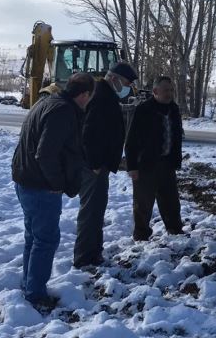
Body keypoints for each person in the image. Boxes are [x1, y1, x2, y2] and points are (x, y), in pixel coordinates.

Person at [11, 72, 95, 308]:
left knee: (34, 237)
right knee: (46, 240)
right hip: (40, 186)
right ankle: (35, 294)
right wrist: (57, 184)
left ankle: (29, 284)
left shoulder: (46, 102)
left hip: (25, 179)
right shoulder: (62, 111)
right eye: (90, 98)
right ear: (85, 94)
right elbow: (45, 153)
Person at [73, 61, 138, 268]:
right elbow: (88, 132)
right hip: (93, 166)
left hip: (99, 165)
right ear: (114, 78)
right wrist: (94, 163)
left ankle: (94, 253)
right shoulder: (100, 96)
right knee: (91, 212)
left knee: (97, 210)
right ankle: (84, 257)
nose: (127, 87)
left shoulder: (106, 95)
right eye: (126, 82)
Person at [124, 75, 184, 240]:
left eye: (171, 90)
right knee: (143, 203)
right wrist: (132, 166)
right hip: (146, 165)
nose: (169, 93)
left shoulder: (174, 109)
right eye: (166, 90)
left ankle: (175, 230)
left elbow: (177, 136)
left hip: (167, 164)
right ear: (156, 91)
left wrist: (177, 159)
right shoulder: (143, 110)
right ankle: (141, 234)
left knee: (171, 201)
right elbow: (131, 140)